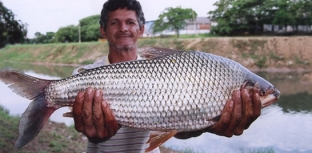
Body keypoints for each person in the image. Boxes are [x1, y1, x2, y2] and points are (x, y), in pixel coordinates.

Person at [71, 0, 261, 152]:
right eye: (114, 23)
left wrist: (207, 123)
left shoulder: (170, 74)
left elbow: (179, 129)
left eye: (130, 22)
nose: (123, 28)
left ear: (141, 29)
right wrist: (96, 133)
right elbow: (91, 133)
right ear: (103, 30)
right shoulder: (83, 76)